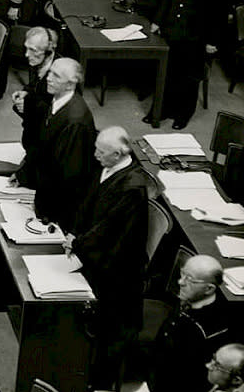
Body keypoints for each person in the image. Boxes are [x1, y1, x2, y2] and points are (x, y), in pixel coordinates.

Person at [63, 126, 150, 388]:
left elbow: (110, 229)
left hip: (117, 269)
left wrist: (78, 243)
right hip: (96, 250)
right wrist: (74, 234)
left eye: (100, 151)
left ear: (118, 154)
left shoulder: (132, 188)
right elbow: (89, 207)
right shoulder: (107, 167)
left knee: (105, 335)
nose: (95, 154)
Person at [150, 0, 223, 129]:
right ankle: (162, 109)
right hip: (172, 30)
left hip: (195, 37)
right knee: (167, 73)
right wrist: (157, 21)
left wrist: (212, 41)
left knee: (189, 78)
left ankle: (183, 114)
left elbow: (217, 14)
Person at [18, 57, 96, 230]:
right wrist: (24, 174)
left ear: (70, 84)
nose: (48, 78)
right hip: (44, 193)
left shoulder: (75, 121)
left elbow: (69, 175)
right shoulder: (57, 103)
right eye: (50, 72)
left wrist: (47, 213)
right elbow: (43, 147)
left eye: (56, 76)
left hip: (58, 210)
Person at [149, 254, 231, 392]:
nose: (180, 282)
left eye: (190, 279)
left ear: (209, 289)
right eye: (183, 274)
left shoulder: (205, 330)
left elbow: (189, 377)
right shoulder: (190, 299)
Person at [11, 27, 58, 176]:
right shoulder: (40, 61)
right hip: (33, 137)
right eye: (26, 49)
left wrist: (29, 106)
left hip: (47, 147)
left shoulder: (61, 74)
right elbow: (35, 86)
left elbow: (58, 113)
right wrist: (26, 92)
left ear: (50, 50)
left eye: (33, 50)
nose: (27, 55)